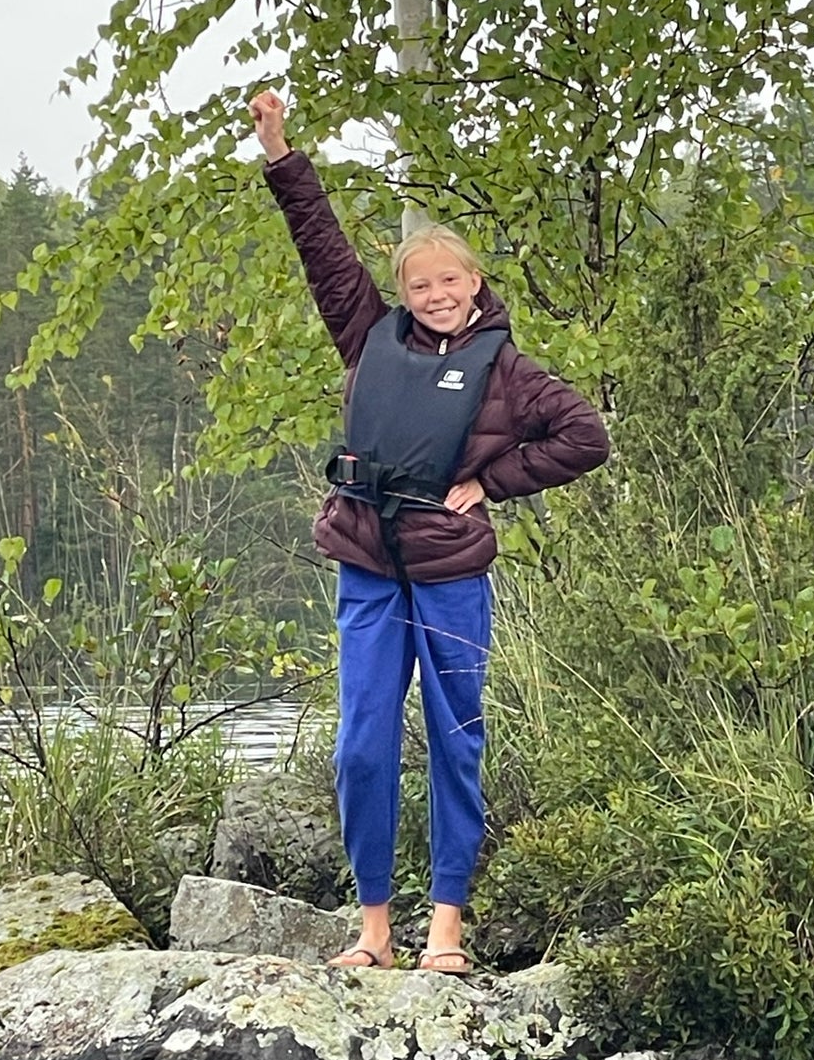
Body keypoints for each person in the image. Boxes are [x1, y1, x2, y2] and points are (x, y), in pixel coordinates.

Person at [249, 90, 609, 972]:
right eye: (421, 283)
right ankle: (374, 926)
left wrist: (487, 481)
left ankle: (444, 926)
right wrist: (279, 153)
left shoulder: (510, 373)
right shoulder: (369, 335)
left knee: (456, 739)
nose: (437, 294)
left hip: (450, 575)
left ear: (474, 284)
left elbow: (585, 438)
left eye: (451, 279)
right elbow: (323, 251)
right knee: (362, 744)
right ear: (403, 294)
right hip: (367, 562)